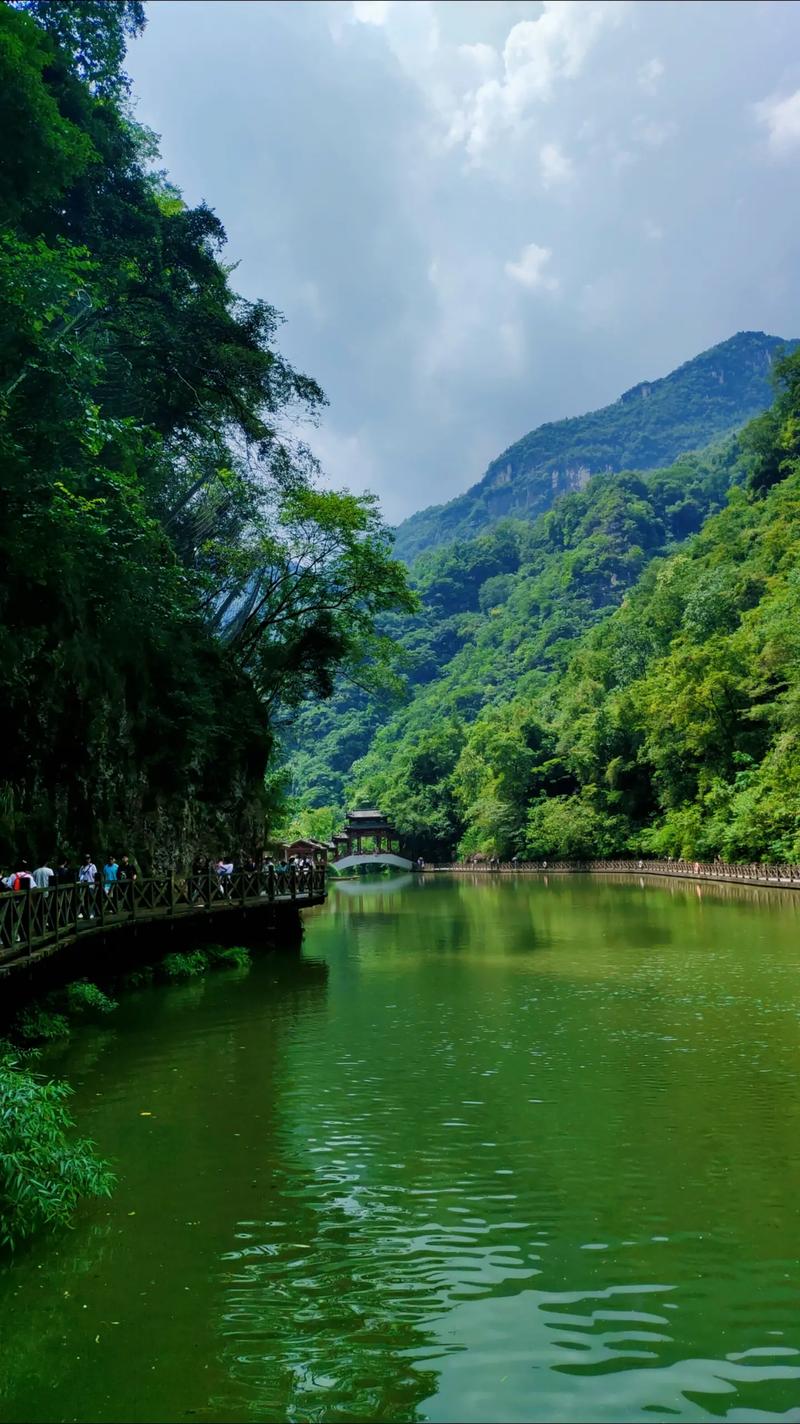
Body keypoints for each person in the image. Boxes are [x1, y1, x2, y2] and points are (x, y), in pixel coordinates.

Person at [78, 853, 97, 918]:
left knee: (91, 900)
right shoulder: (82, 867)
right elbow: (80, 876)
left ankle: (92, 913)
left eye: (88, 858)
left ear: (90, 859)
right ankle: (83, 912)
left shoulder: (93, 866)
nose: (87, 860)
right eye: (86, 858)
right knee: (82, 900)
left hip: (90, 885)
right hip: (83, 886)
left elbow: (95, 875)